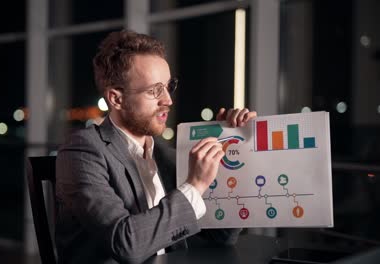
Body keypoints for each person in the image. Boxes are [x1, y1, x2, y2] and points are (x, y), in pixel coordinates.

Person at [55, 29, 257, 263]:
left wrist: (231, 150)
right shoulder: (81, 151)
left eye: (168, 87)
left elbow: (222, 235)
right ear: (116, 99)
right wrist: (195, 184)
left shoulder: (165, 154)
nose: (168, 100)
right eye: (154, 90)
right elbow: (125, 243)